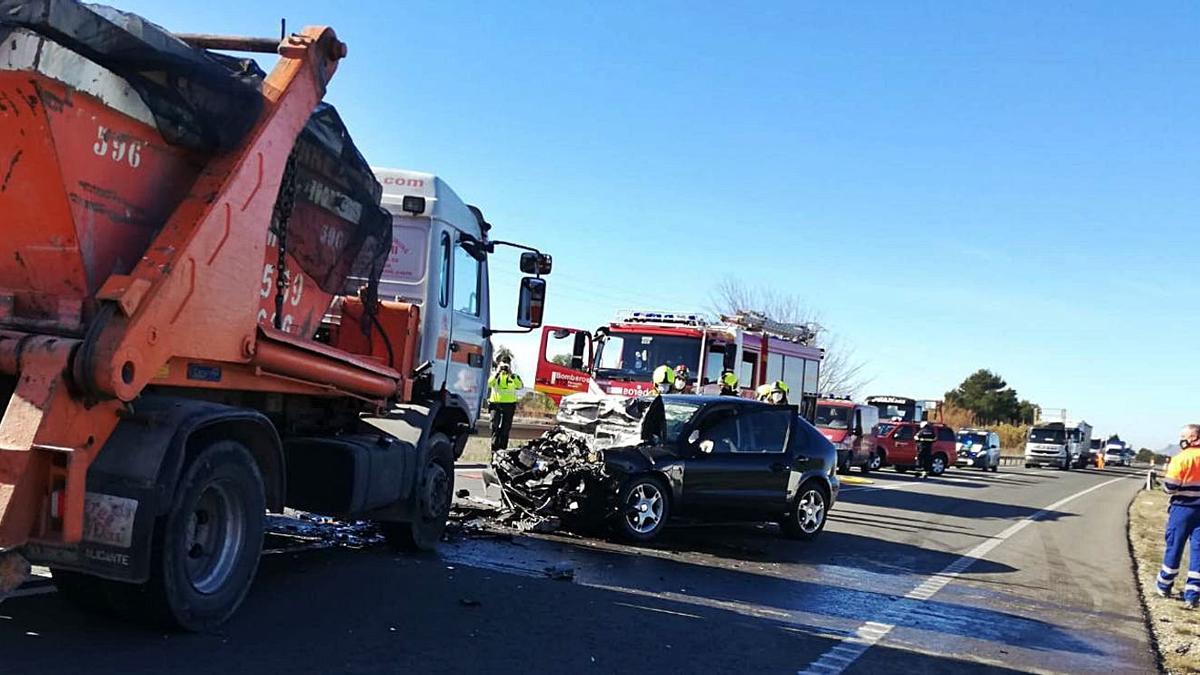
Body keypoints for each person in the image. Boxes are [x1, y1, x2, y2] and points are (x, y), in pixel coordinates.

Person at [1156, 424, 1200, 609]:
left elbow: (1170, 487)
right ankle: (1193, 594)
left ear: (1193, 437)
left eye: (1183, 436)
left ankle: (1164, 585)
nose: (1181, 439)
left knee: (1175, 545)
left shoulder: (1181, 459)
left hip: (1182, 508)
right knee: (1198, 551)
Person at [487, 356, 523, 453]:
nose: (504, 368)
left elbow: (520, 386)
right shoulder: (494, 375)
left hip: (509, 405)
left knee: (505, 428)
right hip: (496, 403)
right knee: (494, 425)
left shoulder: (514, 376)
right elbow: (489, 384)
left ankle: (502, 451)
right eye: (503, 365)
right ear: (499, 365)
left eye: (506, 365)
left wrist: (511, 374)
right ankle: (494, 450)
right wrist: (498, 372)